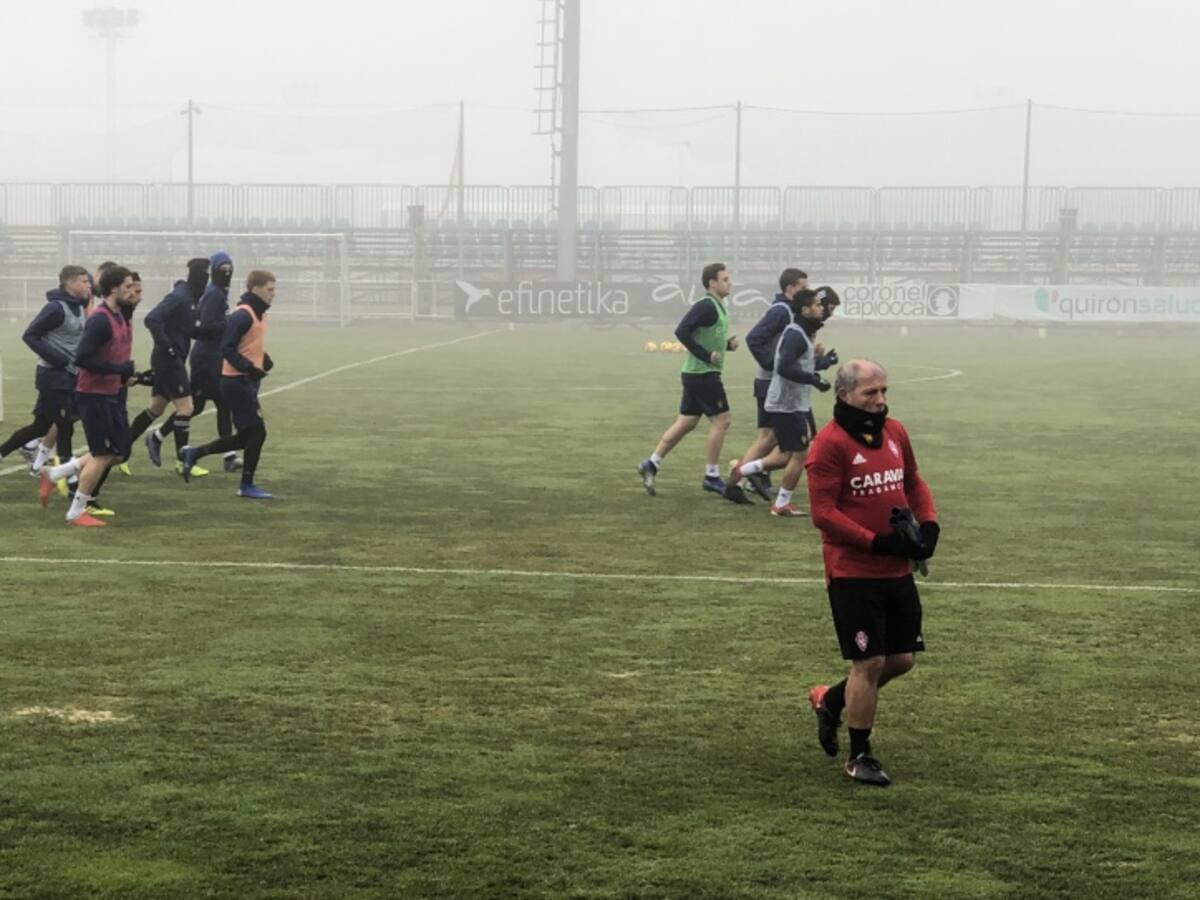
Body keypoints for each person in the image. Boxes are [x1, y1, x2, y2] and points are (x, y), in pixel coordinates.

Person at [804, 359, 940, 786]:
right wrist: (875, 542)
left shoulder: (895, 432)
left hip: (895, 569)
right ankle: (859, 755)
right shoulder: (828, 445)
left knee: (901, 659)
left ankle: (830, 700)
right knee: (870, 661)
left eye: (883, 391)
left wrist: (929, 525)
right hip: (853, 571)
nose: (880, 400)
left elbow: (912, 481)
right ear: (845, 395)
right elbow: (824, 513)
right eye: (870, 393)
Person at [39, 265, 138, 526]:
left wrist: (127, 375)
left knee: (120, 452)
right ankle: (76, 511)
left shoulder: (119, 316)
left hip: (110, 393)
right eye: (128, 286)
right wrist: (118, 369)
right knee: (102, 454)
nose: (133, 291)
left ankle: (55, 473)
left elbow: (112, 356)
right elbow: (82, 358)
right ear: (113, 289)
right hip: (93, 395)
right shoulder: (100, 319)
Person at [636, 262, 744, 499]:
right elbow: (682, 331)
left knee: (686, 422)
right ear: (712, 283)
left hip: (696, 373)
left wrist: (726, 345)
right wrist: (706, 355)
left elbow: (706, 336)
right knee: (722, 420)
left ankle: (651, 463)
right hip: (703, 374)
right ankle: (711, 476)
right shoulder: (706, 305)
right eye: (725, 279)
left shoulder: (719, 305)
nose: (730, 283)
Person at [727, 289, 831, 516]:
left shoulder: (802, 332)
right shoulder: (795, 334)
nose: (821, 308)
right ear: (805, 310)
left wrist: (823, 362)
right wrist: (814, 380)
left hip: (792, 403)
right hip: (786, 404)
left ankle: (742, 470)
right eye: (816, 305)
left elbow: (800, 365)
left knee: (786, 455)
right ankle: (781, 504)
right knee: (801, 454)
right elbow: (783, 367)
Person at [181, 269, 276, 499]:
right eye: (270, 289)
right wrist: (248, 367)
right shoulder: (243, 315)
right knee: (257, 434)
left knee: (245, 437)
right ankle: (246, 485)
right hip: (236, 382)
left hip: (246, 381)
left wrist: (263, 359)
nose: (274, 294)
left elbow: (247, 344)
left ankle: (195, 453)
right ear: (255, 289)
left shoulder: (260, 314)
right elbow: (227, 348)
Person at [149, 251, 241, 472]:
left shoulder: (219, 292)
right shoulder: (213, 294)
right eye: (223, 269)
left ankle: (228, 456)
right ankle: (163, 440)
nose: (227, 273)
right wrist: (228, 323)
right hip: (206, 360)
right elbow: (201, 327)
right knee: (195, 406)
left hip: (214, 356)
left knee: (214, 405)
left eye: (230, 269)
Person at [129, 258, 212, 477]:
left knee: (156, 408)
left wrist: (215, 330)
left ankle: (121, 446)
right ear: (196, 275)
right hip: (168, 360)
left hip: (172, 358)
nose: (207, 280)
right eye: (204, 274)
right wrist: (167, 346)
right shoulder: (180, 296)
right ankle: (183, 461)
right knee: (187, 408)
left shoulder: (191, 298)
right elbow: (152, 319)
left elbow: (188, 329)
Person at [0, 266, 89, 470]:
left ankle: (2, 452)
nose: (88, 285)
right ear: (70, 283)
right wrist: (57, 358)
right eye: (84, 282)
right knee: (65, 425)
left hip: (69, 375)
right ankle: (67, 476)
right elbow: (30, 335)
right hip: (53, 376)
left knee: (40, 427)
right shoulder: (55, 308)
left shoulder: (78, 306)